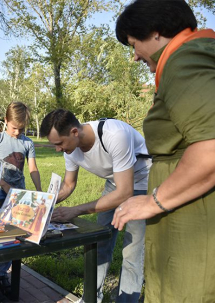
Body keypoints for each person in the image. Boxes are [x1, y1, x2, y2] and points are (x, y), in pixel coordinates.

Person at [113, 1, 215, 301]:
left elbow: (210, 147)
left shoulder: (184, 61)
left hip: (194, 224)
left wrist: (154, 201)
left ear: (155, 32)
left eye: (133, 44)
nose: (134, 56)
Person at [40, 109, 151, 303]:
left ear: (75, 132)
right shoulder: (70, 148)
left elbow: (125, 192)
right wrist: (43, 204)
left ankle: (126, 300)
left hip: (141, 183)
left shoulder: (115, 135)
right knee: (101, 240)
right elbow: (68, 185)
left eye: (59, 143)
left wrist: (76, 209)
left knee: (132, 251)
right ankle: (91, 297)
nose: (57, 149)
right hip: (115, 183)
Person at [0, 101, 42, 302]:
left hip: (19, 197)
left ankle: (2, 274)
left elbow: (32, 168)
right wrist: (4, 184)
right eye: (14, 127)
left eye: (21, 128)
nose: (17, 132)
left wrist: (40, 192)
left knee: (13, 237)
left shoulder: (27, 143)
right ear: (5, 121)